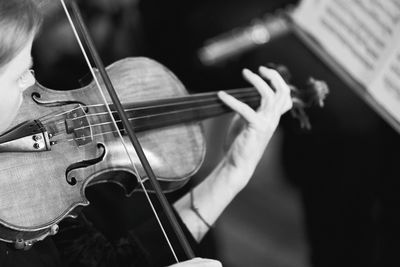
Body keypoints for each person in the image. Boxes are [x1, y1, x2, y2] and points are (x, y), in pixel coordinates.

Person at [0, 0, 292, 266]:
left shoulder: (36, 199)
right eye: (19, 76)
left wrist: (233, 172)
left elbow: (107, 262)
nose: (31, 84)